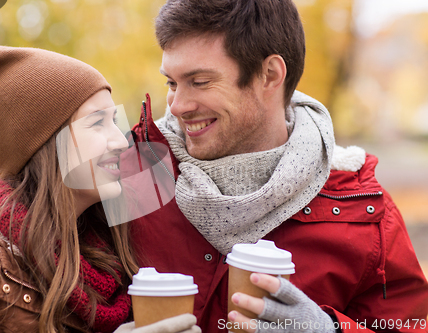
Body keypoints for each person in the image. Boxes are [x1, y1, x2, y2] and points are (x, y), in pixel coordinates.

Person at [126, 1, 428, 332]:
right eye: (172, 83)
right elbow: (68, 303)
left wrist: (332, 330)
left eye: (199, 82)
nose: (178, 106)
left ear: (270, 75)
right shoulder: (136, 175)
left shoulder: (365, 213)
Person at [0, 42, 200, 333]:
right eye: (98, 124)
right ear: (46, 145)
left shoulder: (104, 254)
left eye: (115, 121)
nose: (121, 141)